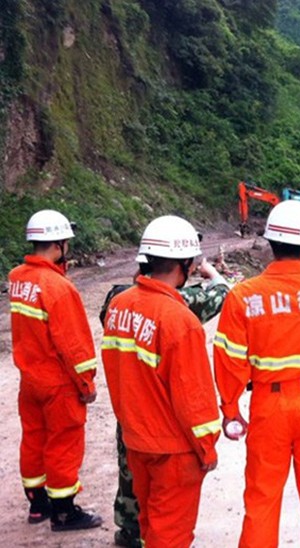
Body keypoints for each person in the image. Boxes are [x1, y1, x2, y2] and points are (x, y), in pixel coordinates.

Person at [214, 200, 300, 547]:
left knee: (262, 500)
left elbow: (229, 360)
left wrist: (231, 410)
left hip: (269, 407)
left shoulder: (244, 297)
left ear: (270, 244)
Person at [101, 215, 221, 547]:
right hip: (173, 452)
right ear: (185, 264)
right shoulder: (179, 320)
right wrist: (207, 447)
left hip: (137, 442)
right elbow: (193, 396)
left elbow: (115, 371)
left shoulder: (119, 306)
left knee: (150, 525)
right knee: (170, 534)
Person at [8, 209, 103, 531]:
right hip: (57, 383)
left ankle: (38, 506)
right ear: (59, 244)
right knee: (63, 443)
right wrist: (86, 384)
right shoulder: (59, 288)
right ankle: (64, 512)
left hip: (29, 379)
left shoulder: (18, 278)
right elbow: (74, 345)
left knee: (33, 439)